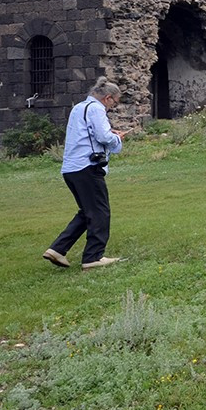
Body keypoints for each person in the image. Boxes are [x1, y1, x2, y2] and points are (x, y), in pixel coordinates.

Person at [43, 77, 127, 271]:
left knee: (87, 212)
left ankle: (57, 249)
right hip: (88, 167)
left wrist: (108, 133)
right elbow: (103, 137)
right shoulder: (97, 109)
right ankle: (93, 257)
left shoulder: (79, 107)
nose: (112, 108)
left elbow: (87, 134)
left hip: (71, 169)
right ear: (107, 98)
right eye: (114, 103)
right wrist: (116, 138)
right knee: (100, 211)